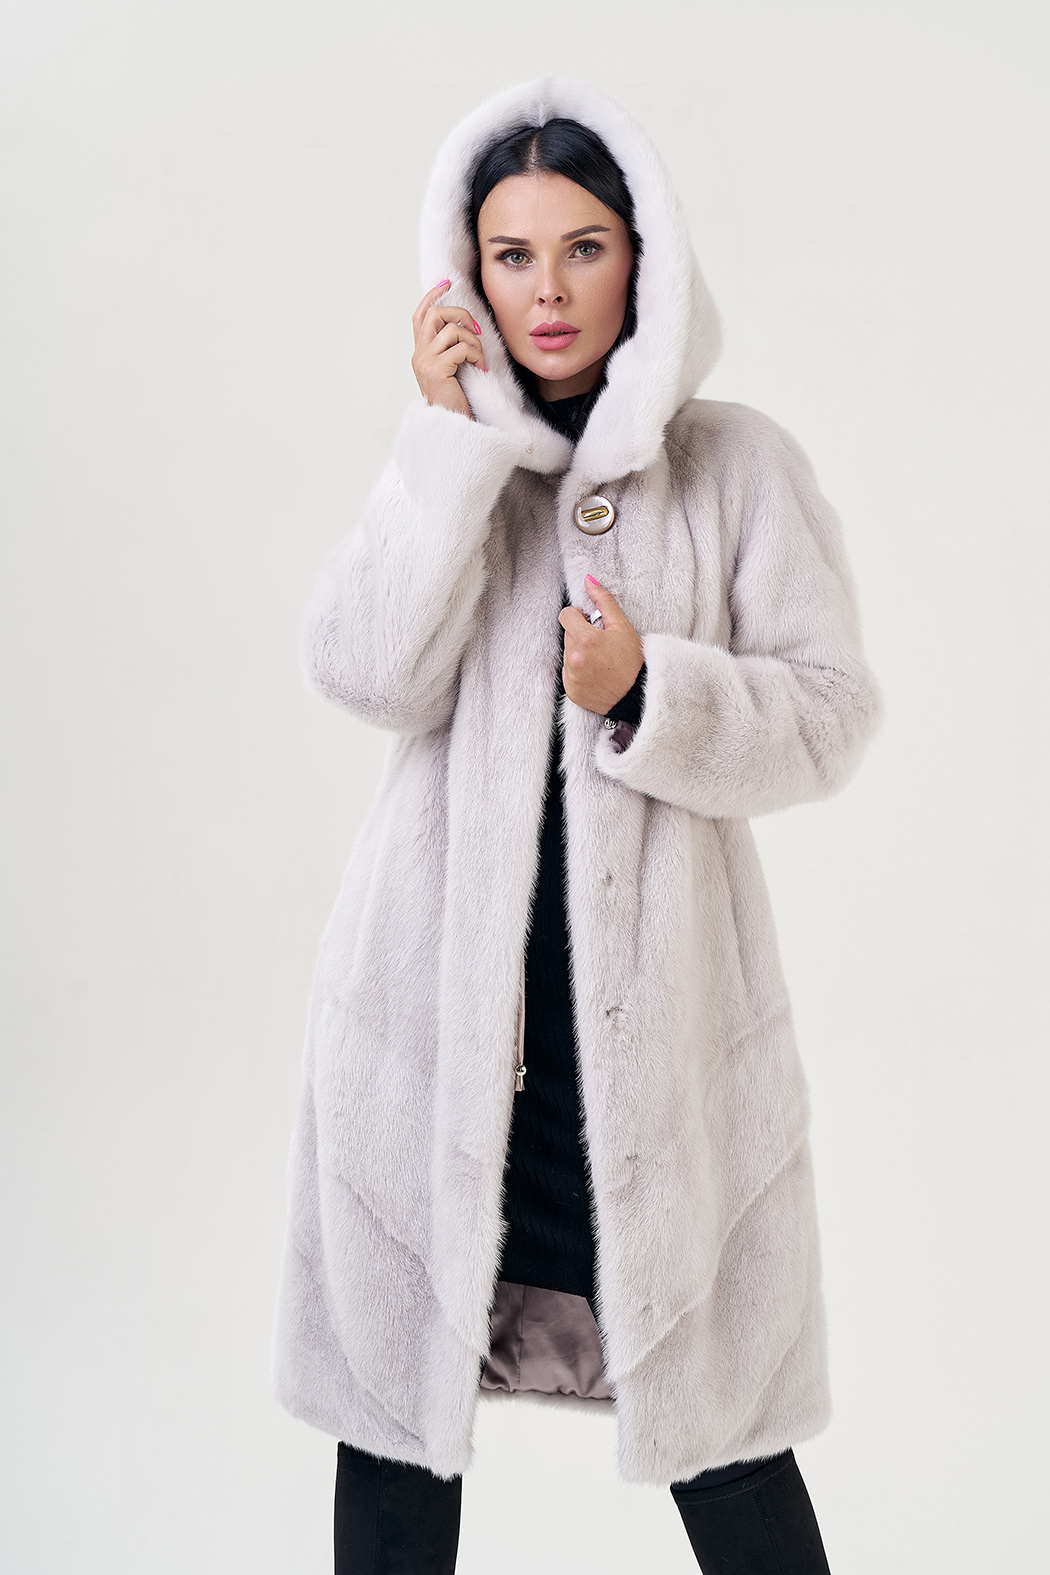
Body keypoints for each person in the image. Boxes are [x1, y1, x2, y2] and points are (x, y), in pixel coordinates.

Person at [271, 76, 882, 1574]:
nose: (547, 291)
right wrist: (441, 452)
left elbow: (828, 712)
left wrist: (648, 690)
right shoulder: (451, 468)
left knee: (725, 1443)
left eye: (584, 248)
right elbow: (365, 675)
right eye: (512, 255)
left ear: (642, 258)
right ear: (465, 275)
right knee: (395, 1440)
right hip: (438, 1035)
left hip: (654, 1053)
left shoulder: (735, 467)